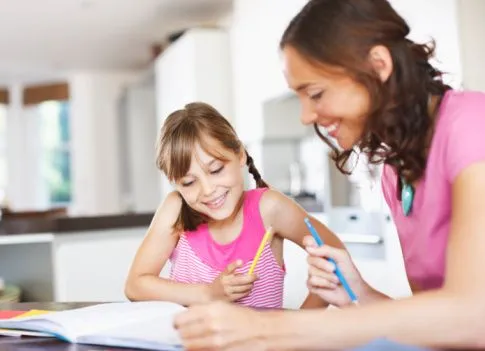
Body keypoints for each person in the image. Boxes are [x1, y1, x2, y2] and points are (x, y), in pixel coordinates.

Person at [173, 0, 485, 349]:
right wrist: (359, 293)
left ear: (378, 65)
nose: (306, 116)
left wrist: (268, 329)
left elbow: (472, 316)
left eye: (316, 94)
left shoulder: (473, 125)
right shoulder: (396, 173)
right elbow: (437, 327)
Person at [124, 101, 345, 309]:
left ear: (239, 155)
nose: (208, 190)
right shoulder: (176, 210)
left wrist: (298, 326)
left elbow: (335, 255)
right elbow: (135, 285)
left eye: (216, 170)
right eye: (189, 182)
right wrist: (208, 294)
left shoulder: (270, 208)